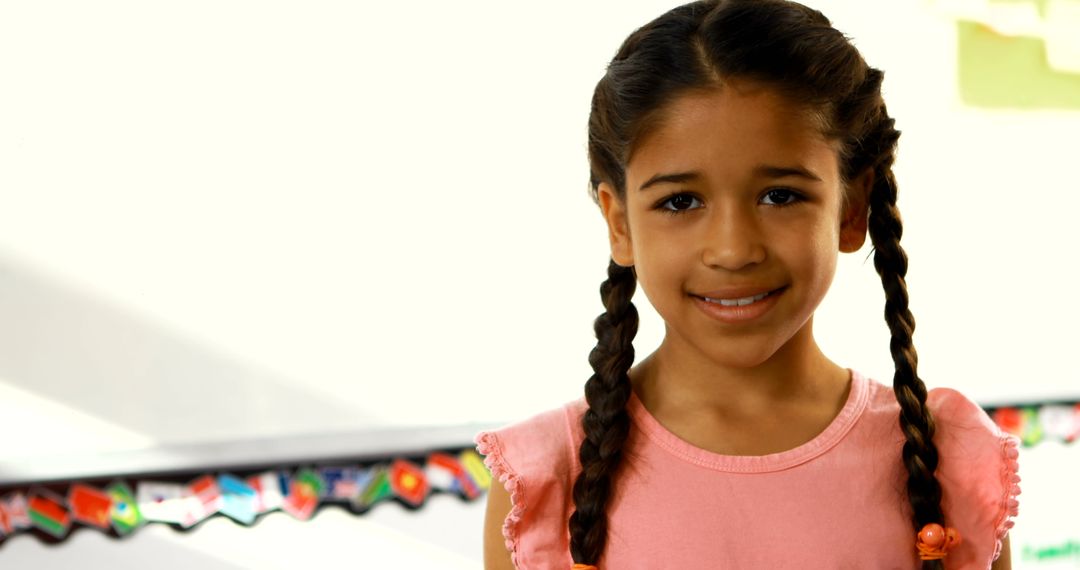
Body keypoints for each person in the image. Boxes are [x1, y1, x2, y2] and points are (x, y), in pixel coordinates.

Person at [476, 0, 1021, 568]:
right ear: (620, 223)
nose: (734, 251)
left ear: (850, 209)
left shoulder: (946, 465)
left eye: (780, 195)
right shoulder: (546, 480)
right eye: (680, 201)